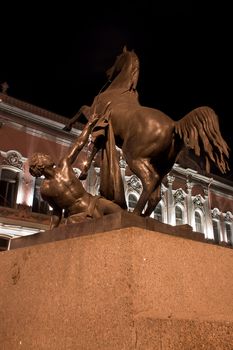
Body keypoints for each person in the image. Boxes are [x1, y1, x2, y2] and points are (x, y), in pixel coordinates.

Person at [28, 110, 122, 230]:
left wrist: (89, 125)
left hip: (94, 202)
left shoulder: (64, 165)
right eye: (43, 157)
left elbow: (78, 144)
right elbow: (57, 211)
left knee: (119, 212)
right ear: (40, 165)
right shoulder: (45, 190)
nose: (47, 156)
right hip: (77, 216)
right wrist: (52, 230)